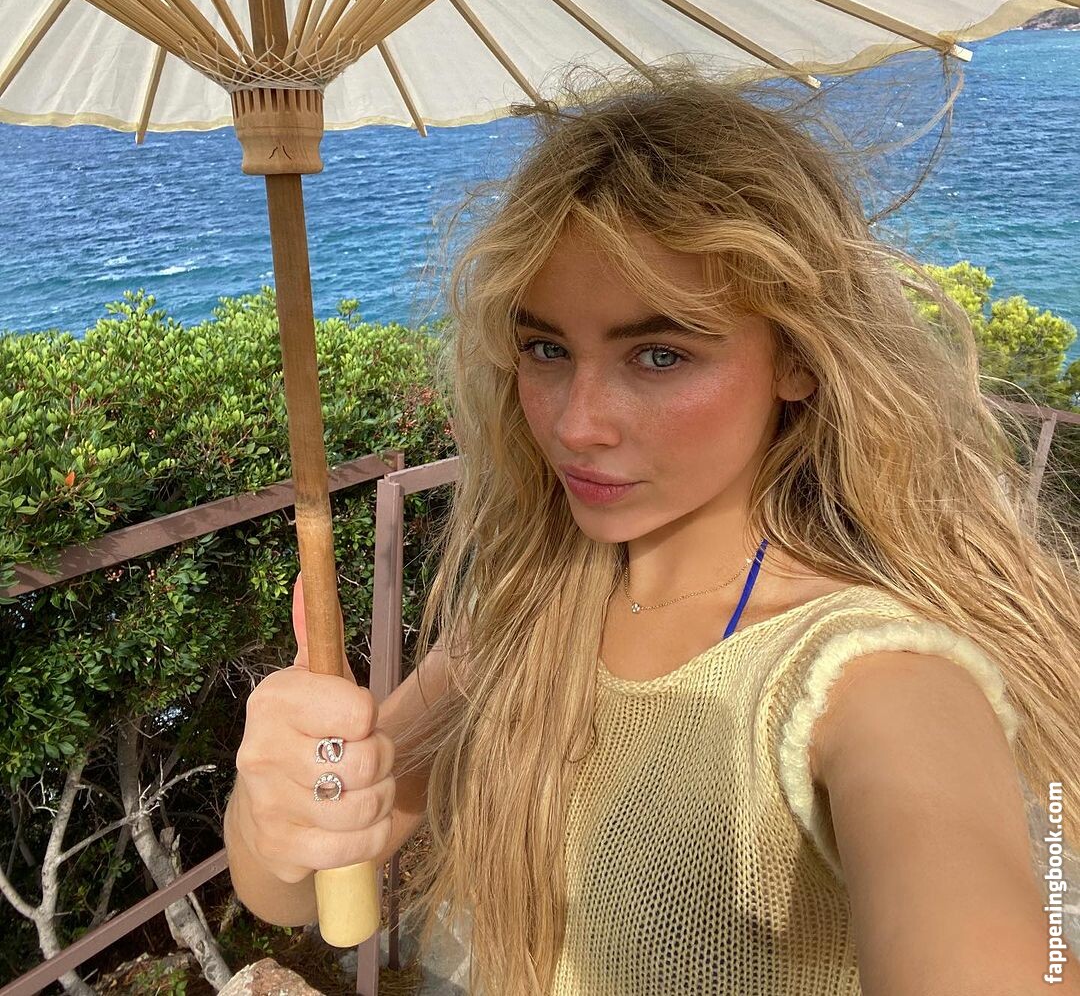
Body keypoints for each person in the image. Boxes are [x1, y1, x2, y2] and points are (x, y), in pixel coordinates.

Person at [224, 61, 1080, 995]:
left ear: (796, 358)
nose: (576, 421)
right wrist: (284, 801)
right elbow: (296, 887)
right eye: (546, 347)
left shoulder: (869, 683)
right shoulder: (528, 612)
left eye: (660, 355)